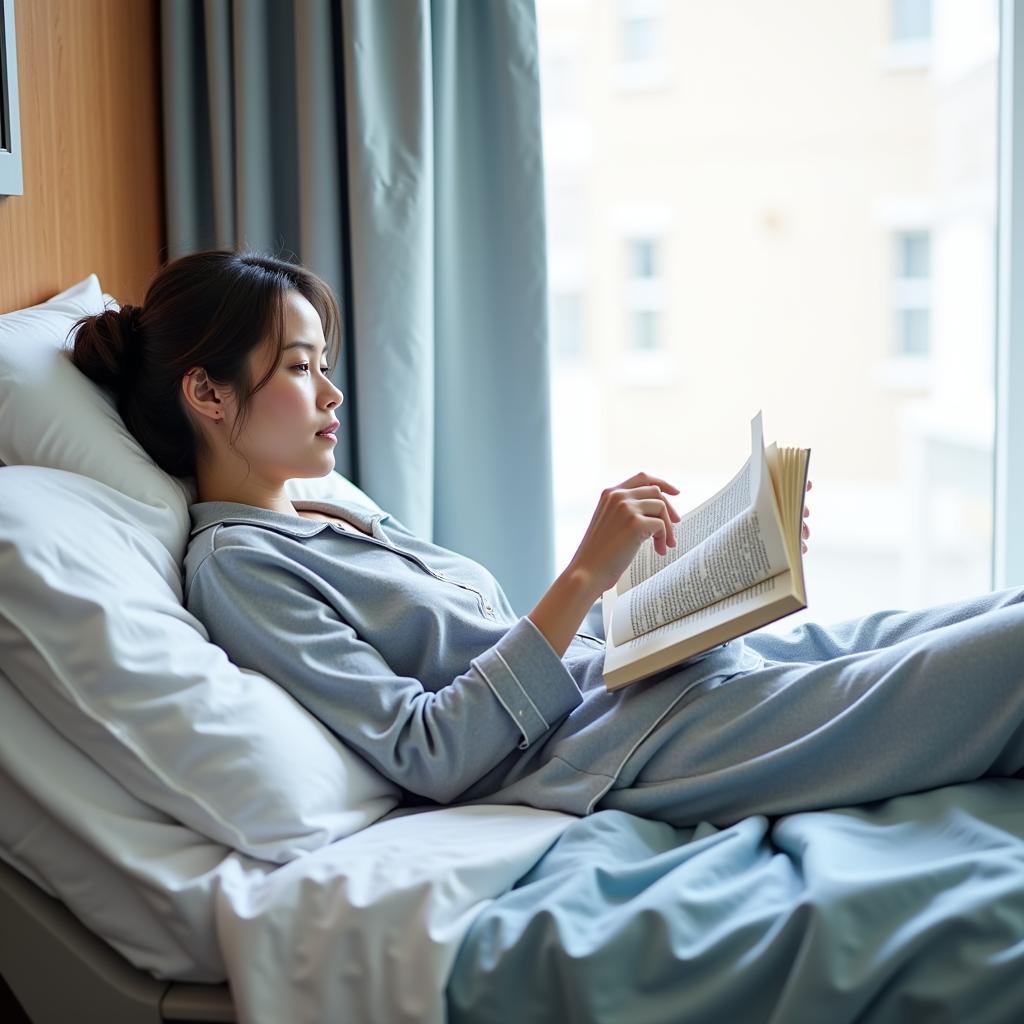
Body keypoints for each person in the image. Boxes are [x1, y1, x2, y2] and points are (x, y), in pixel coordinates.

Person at [71, 248, 1024, 827]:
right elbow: (429, 750)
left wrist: (686, 571)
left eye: (327, 365)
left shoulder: (326, 513)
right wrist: (582, 574)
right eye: (300, 366)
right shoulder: (237, 569)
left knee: (993, 612)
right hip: (622, 747)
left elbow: (504, 652)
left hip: (638, 688)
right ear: (206, 393)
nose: (332, 394)